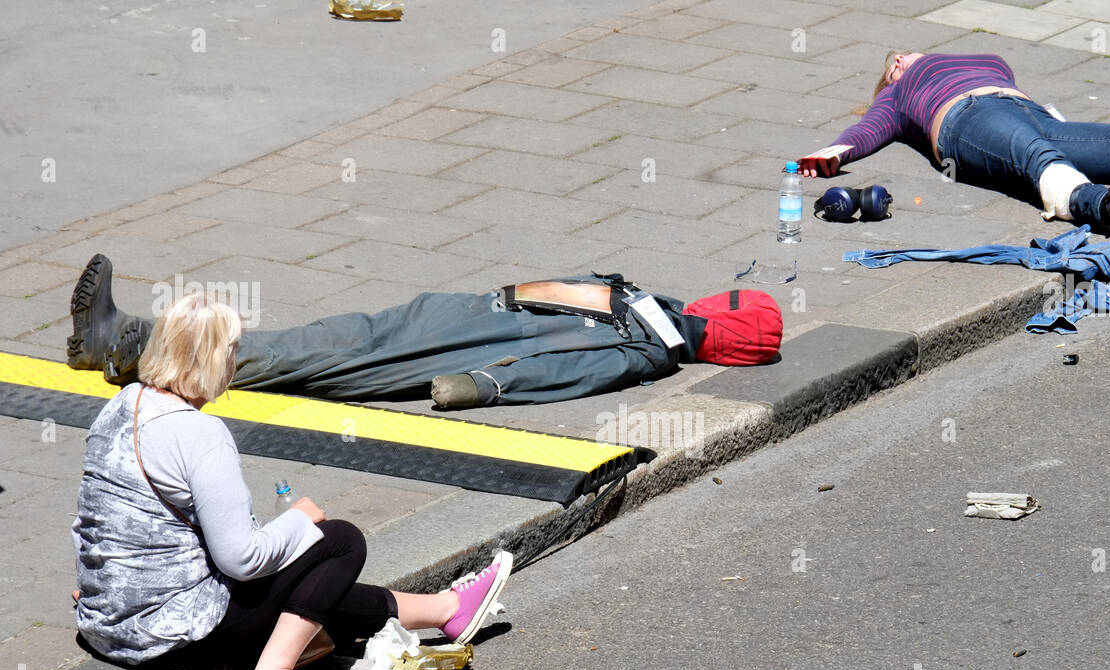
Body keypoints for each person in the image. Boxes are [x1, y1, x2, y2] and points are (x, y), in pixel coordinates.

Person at [72, 291, 513, 670]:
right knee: (339, 542)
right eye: (231, 351)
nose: (233, 361)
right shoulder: (201, 436)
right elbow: (242, 560)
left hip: (107, 623)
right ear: (211, 360)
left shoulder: (121, 405)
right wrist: (299, 522)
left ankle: (447, 611)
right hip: (171, 633)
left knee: (308, 588)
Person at [66, 254, 783, 405]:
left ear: (725, 321)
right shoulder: (651, 315)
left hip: (454, 344)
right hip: (453, 317)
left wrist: (479, 386)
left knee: (318, 355)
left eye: (728, 302)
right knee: (333, 338)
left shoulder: (641, 349)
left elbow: (565, 369)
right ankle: (136, 346)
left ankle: (130, 345)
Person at [798, 51, 1110, 233]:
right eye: (892, 65)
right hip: (966, 118)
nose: (897, 59)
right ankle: (1099, 204)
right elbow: (867, 130)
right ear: (895, 74)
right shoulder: (898, 93)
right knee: (1036, 155)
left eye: (896, 59)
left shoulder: (983, 62)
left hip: (1033, 114)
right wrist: (833, 153)